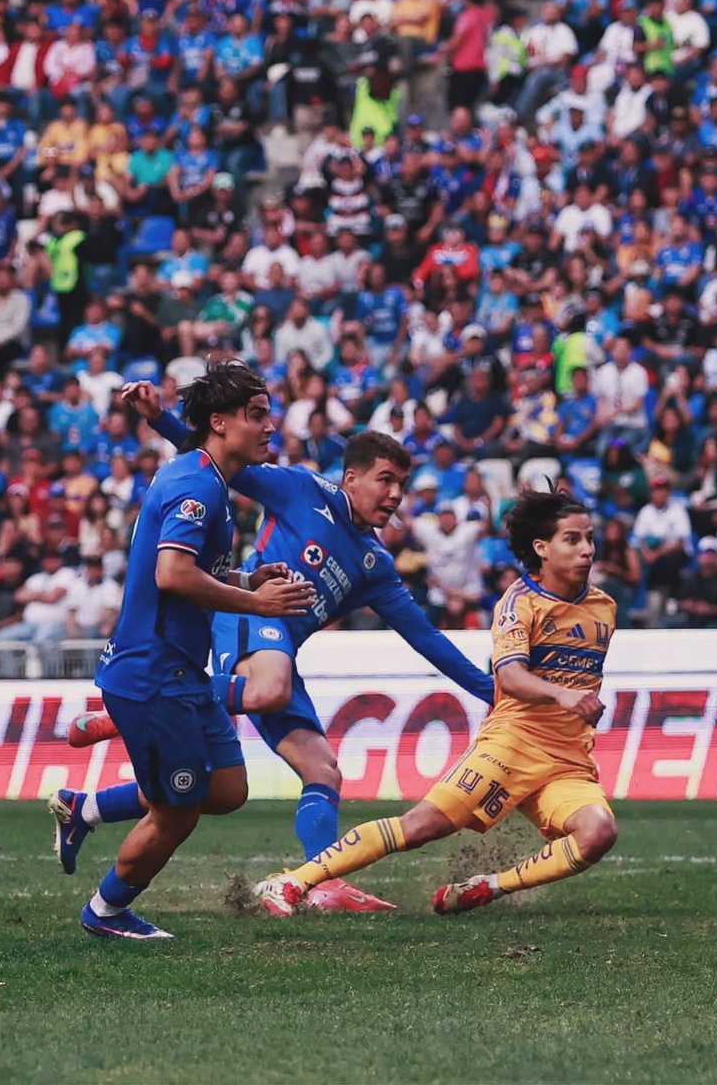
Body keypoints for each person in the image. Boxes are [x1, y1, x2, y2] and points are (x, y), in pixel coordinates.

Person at [61, 379, 497, 913]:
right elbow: (223, 459)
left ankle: (320, 880)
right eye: (385, 480)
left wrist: (490, 690)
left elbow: (426, 638)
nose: (394, 495)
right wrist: (158, 419)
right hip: (242, 619)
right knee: (267, 690)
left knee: (315, 772)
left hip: (277, 645)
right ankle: (134, 716)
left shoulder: (375, 566)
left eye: (401, 485)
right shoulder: (302, 490)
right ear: (351, 477)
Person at [252, 484, 617, 917]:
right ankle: (292, 881)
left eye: (589, 538)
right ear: (541, 548)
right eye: (572, 539)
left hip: (568, 759)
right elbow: (510, 677)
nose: (586, 550)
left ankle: (488, 887)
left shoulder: (604, 608)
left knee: (598, 833)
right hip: (511, 746)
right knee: (421, 827)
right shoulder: (519, 603)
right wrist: (563, 694)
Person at [54, 361, 316, 940]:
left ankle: (85, 808)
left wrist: (248, 580)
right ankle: (107, 911)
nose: (269, 426)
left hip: (181, 671)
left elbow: (195, 571)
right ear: (218, 424)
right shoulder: (196, 486)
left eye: (268, 413)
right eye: (256, 415)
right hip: (153, 674)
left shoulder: (208, 480)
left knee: (226, 789)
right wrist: (258, 605)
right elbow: (172, 574)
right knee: (177, 811)